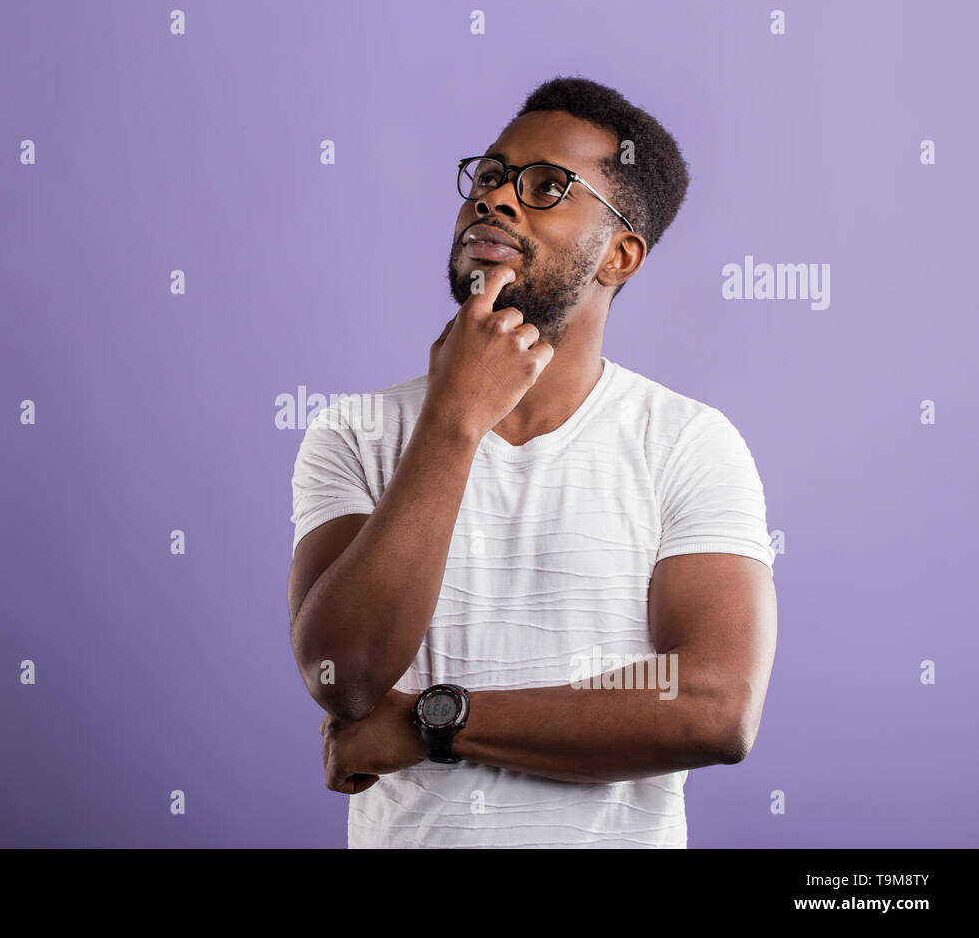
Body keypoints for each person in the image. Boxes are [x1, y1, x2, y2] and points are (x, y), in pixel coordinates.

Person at [287, 76, 778, 848]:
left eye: (548, 187)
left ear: (619, 254)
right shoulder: (356, 431)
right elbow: (341, 678)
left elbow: (713, 709)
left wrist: (433, 724)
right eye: (489, 175)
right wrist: (453, 421)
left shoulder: (687, 442)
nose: (497, 199)